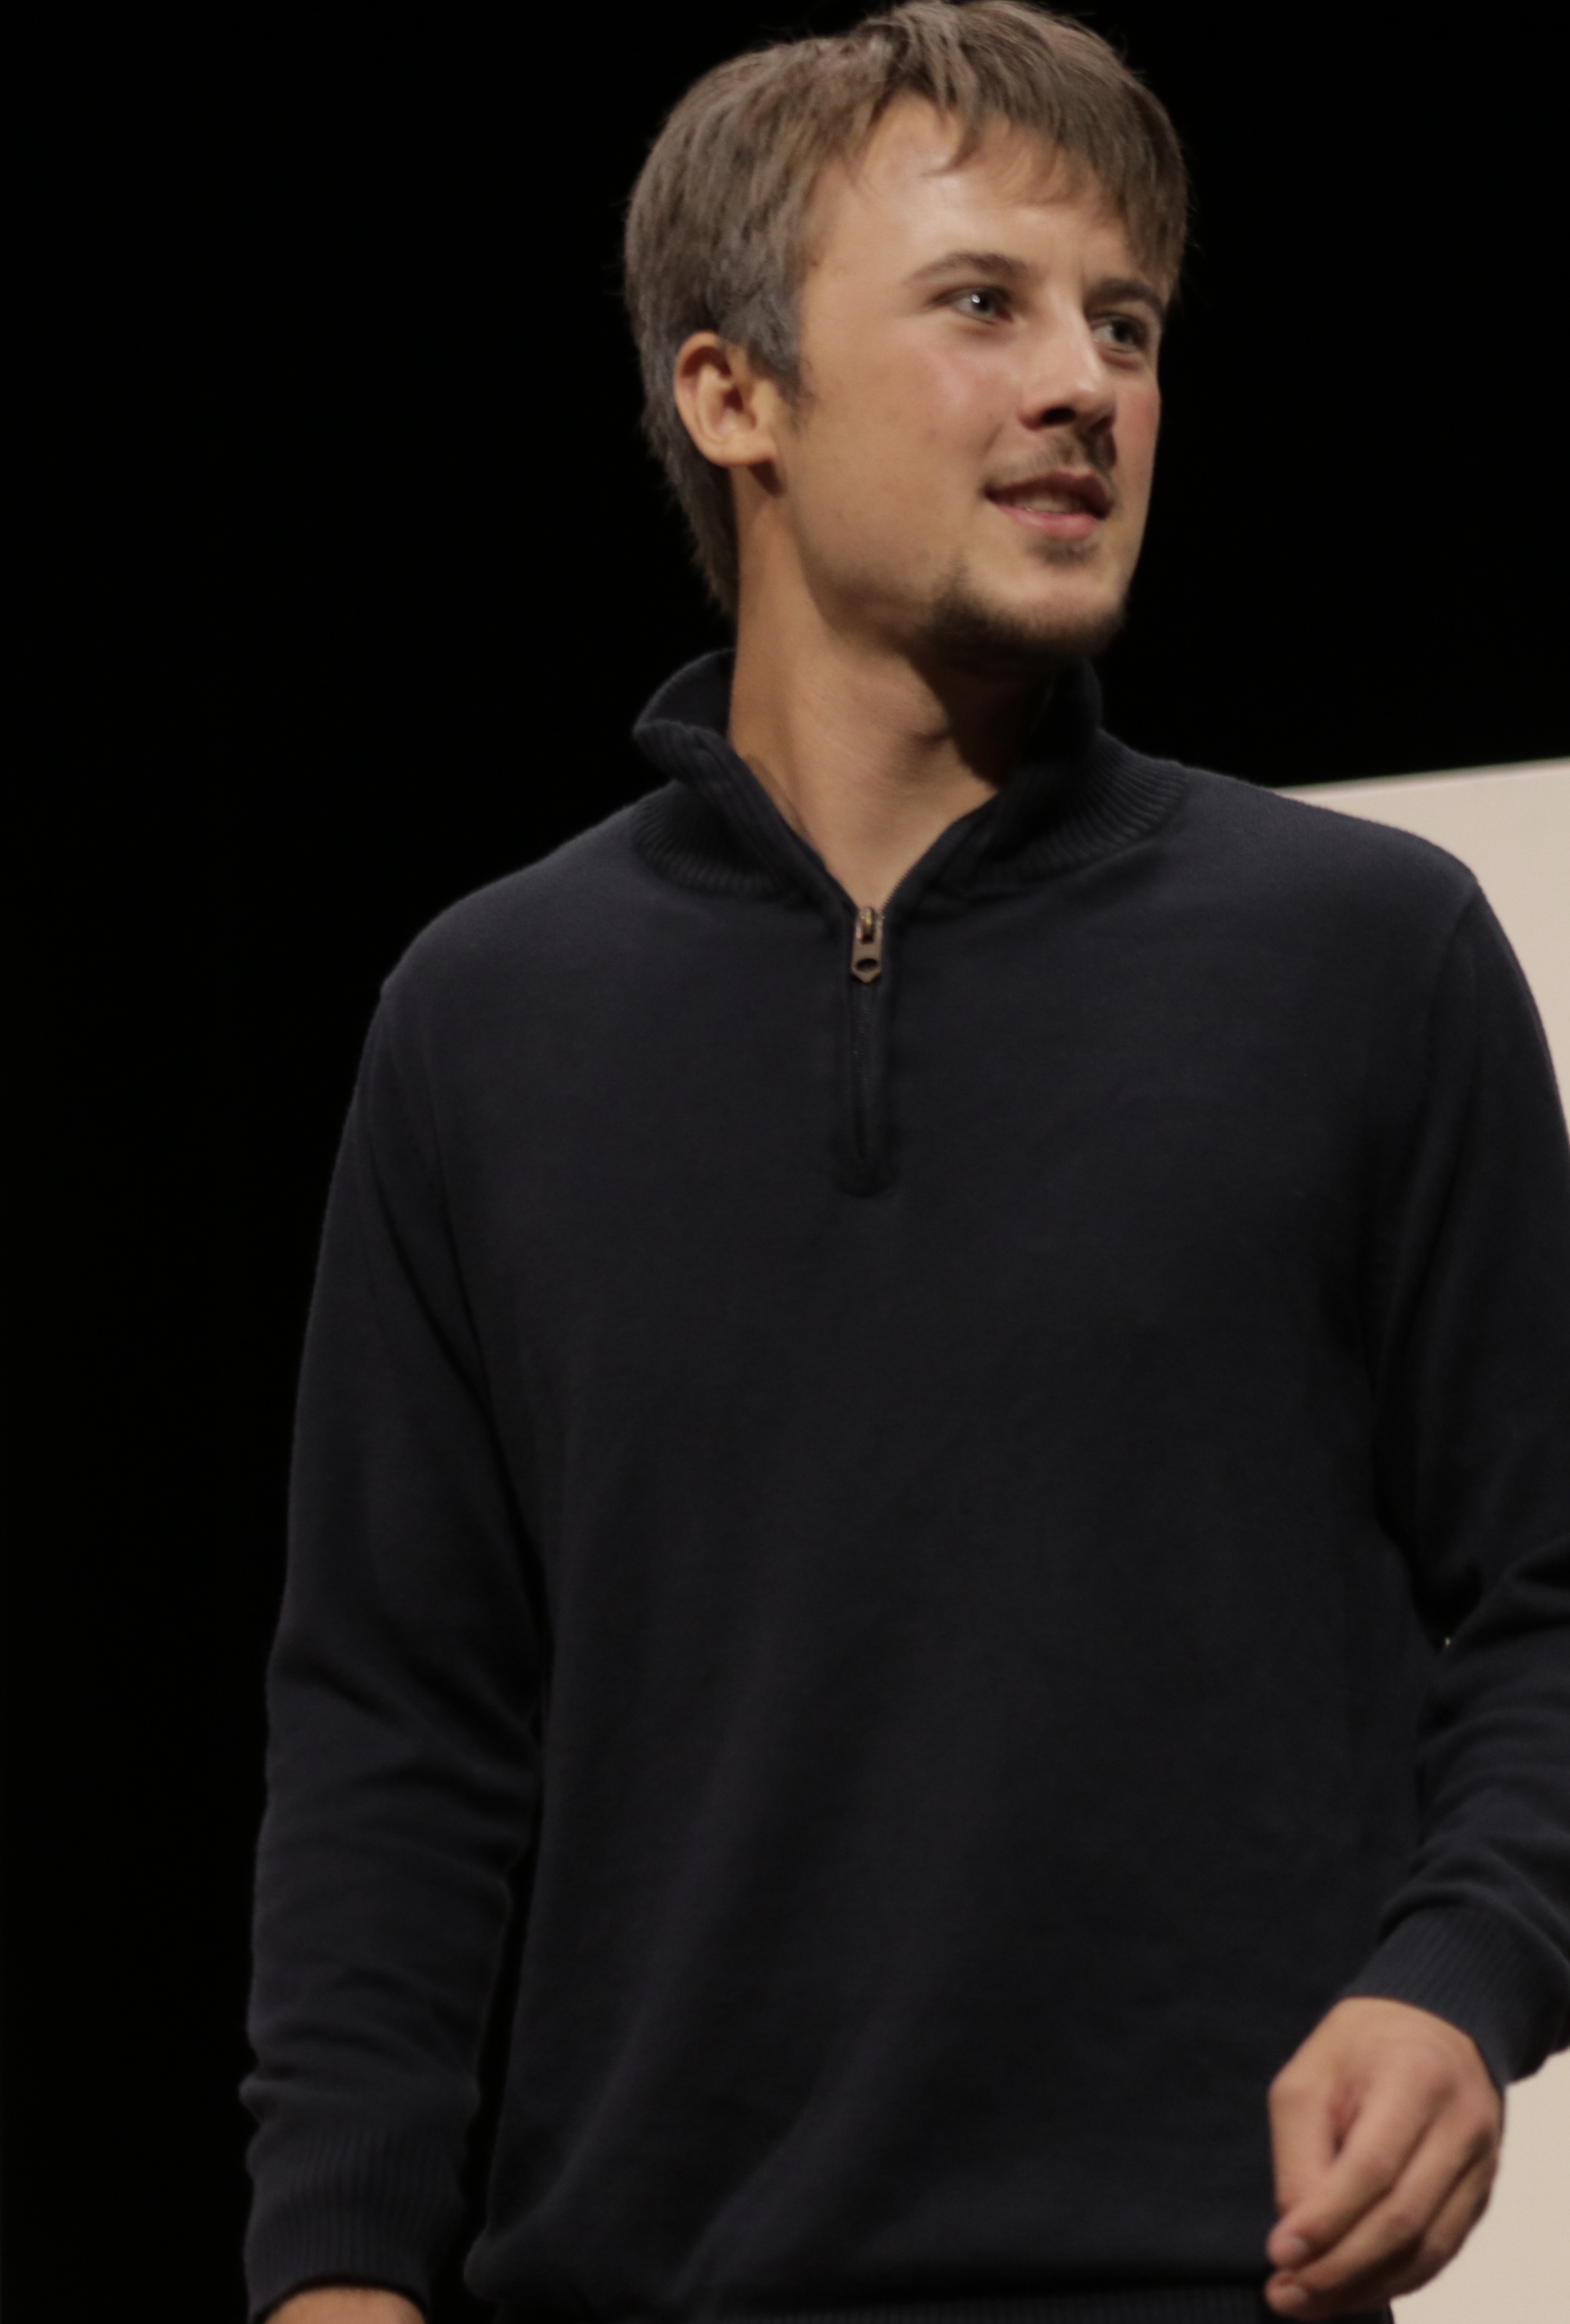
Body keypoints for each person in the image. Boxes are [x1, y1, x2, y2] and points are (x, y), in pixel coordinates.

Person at [245, 6, 1570, 2319]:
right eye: (985, 303)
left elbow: (1554, 1592)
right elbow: (397, 1724)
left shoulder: (1367, 959)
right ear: (730, 394)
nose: (1086, 387)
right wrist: (334, 2271)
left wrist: (1464, 1973)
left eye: (1126, 325)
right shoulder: (489, 1018)